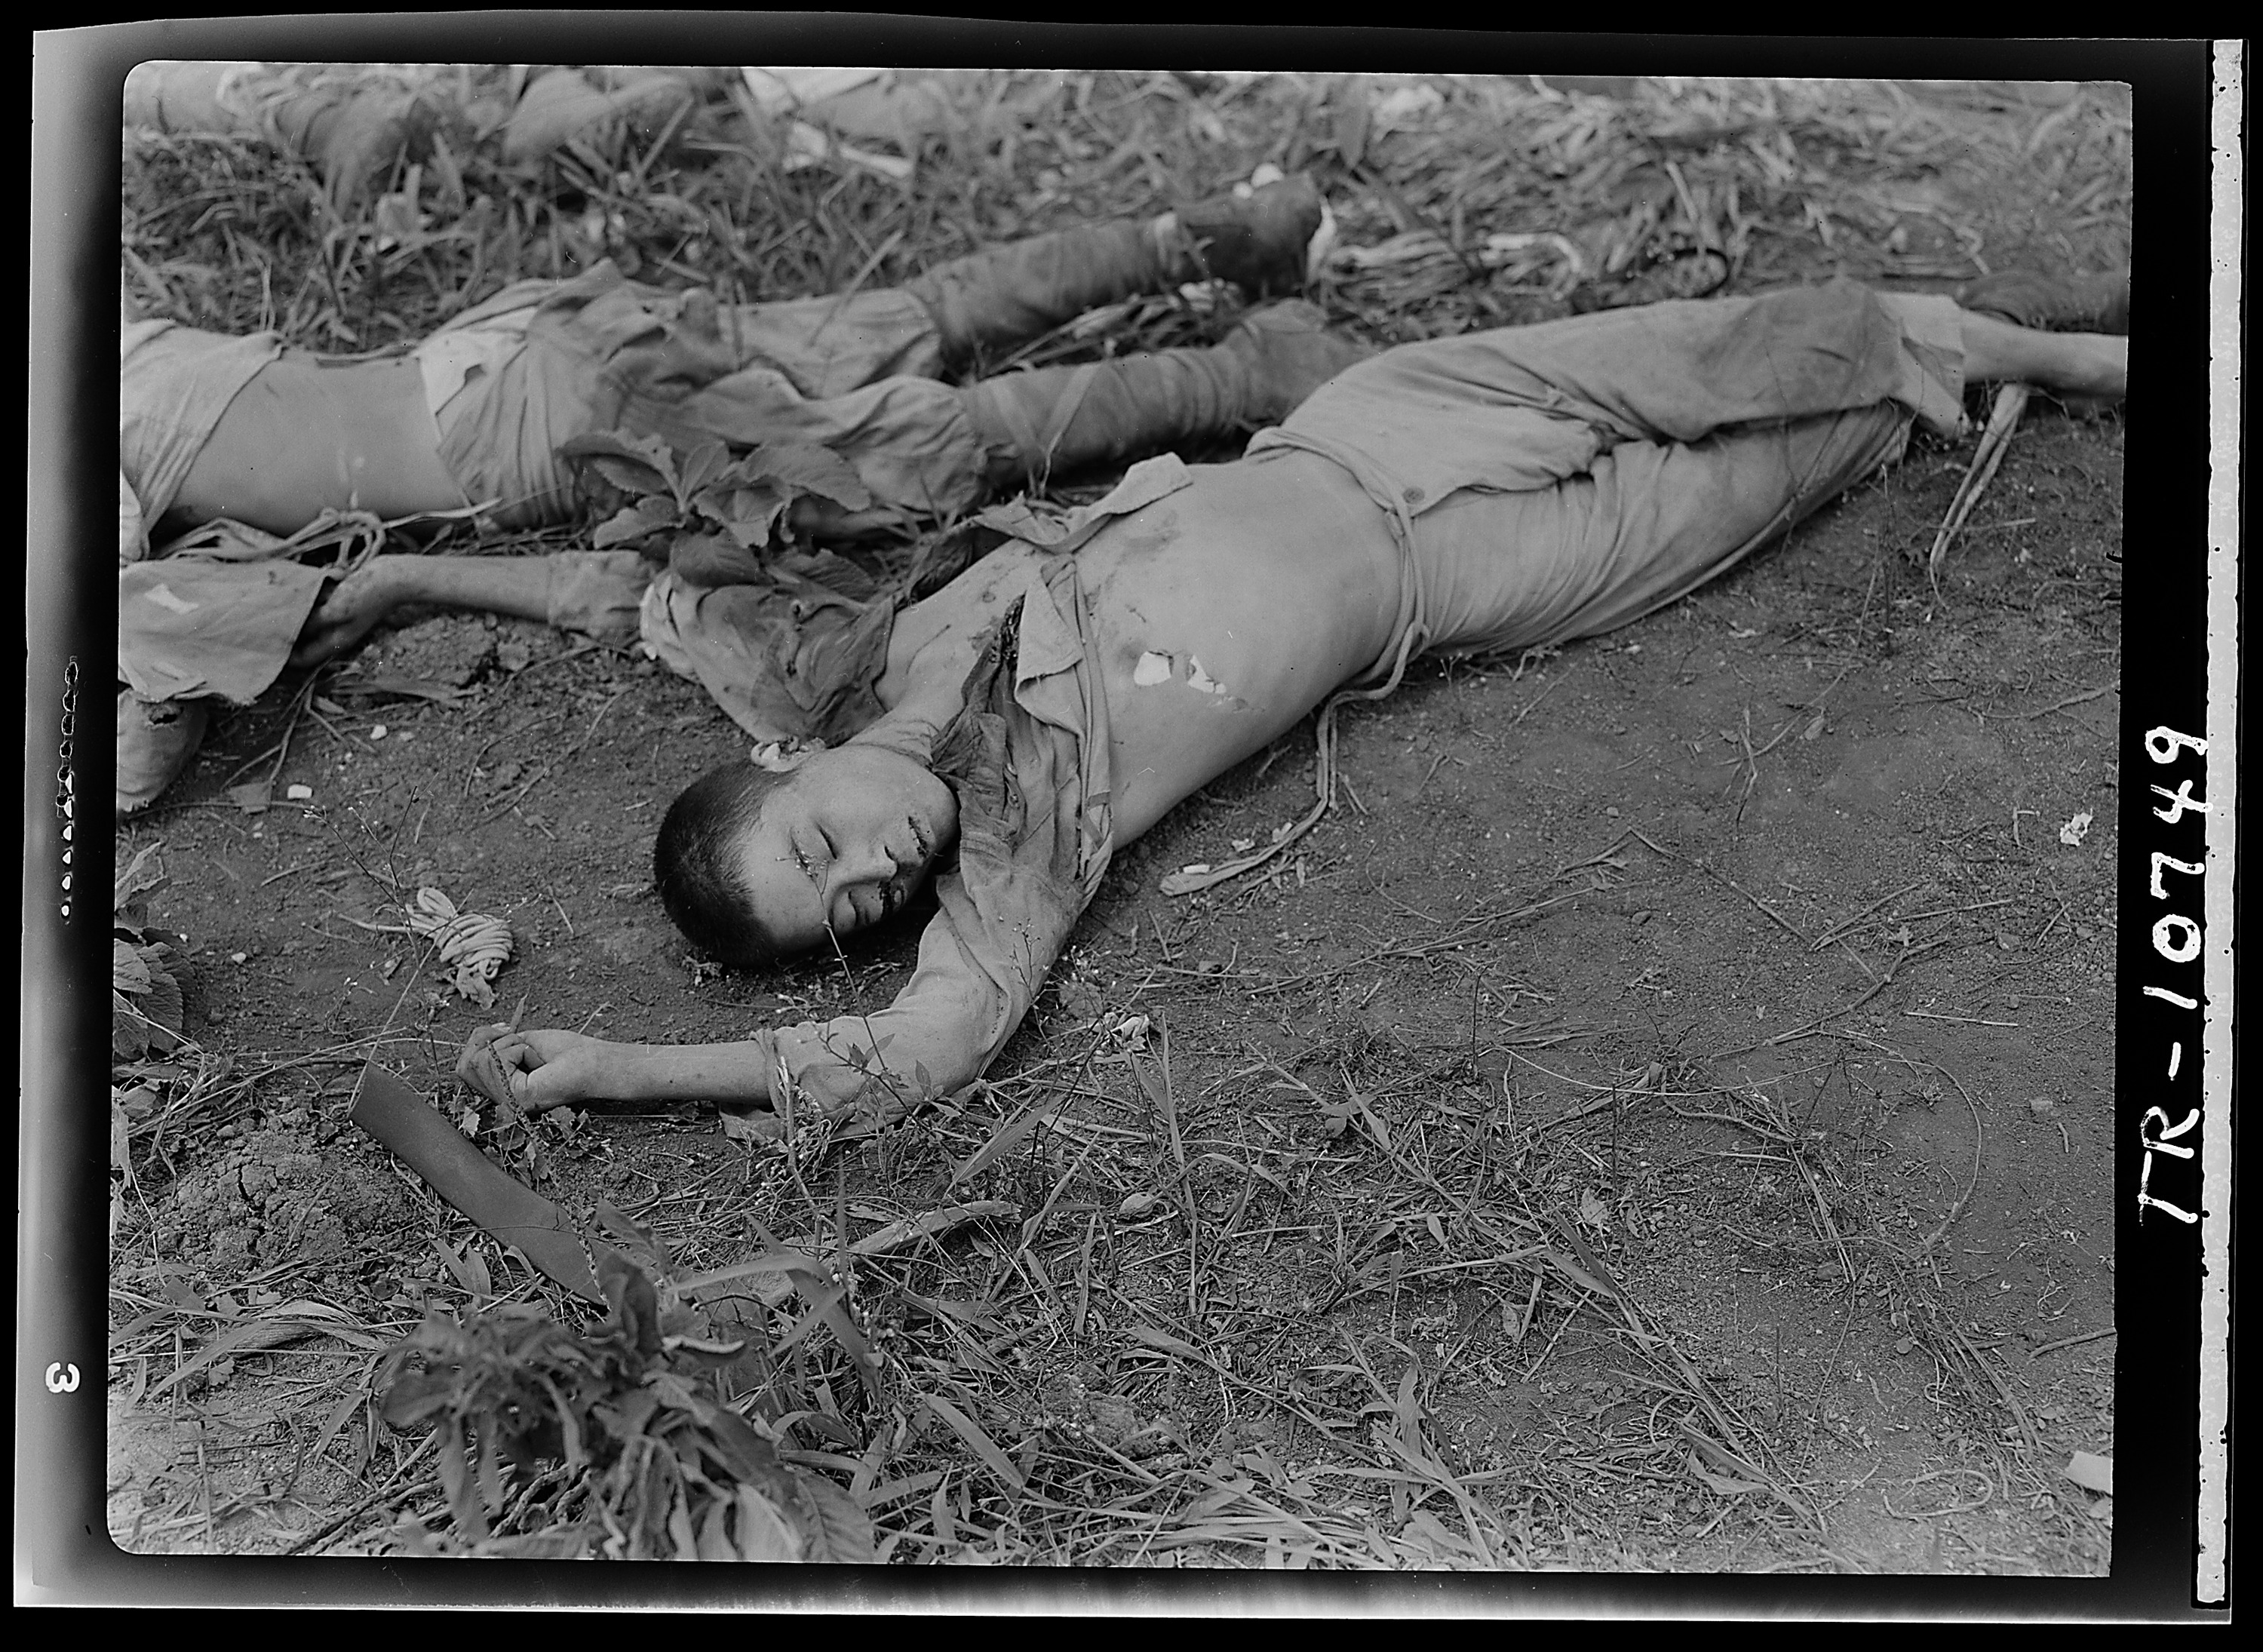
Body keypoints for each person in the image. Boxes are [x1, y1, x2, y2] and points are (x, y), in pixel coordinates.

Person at [450, 270, 2130, 1133]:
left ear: (789, 764)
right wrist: (620, 1068)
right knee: (1785, 458)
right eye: (850, 910)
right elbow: (922, 1045)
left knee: (1721, 344)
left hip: (1375, 424)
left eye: (820, 848)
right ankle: (1967, 359)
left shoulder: (868, 657)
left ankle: (2055, 346)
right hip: (1462, 580)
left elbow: (669, 611)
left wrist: (394, 581)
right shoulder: (1013, 861)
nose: (873, 878)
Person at [117, 173, 1350, 810]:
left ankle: (1250, 367)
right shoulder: (109, 334)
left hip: (521, 430)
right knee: (904, 319)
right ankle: (1210, 235)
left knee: (896, 450)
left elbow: (129, 749)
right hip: (518, 344)